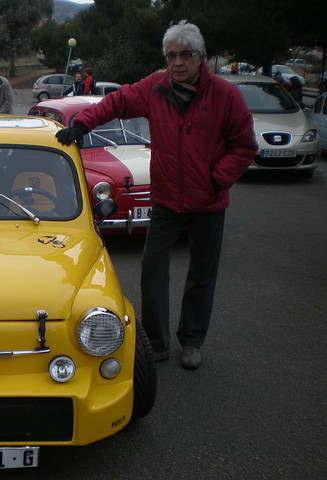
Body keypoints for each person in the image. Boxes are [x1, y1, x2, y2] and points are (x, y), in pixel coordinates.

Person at [56, 20, 257, 370]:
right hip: (165, 200)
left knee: (202, 275)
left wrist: (216, 180)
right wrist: (82, 124)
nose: (177, 62)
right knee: (152, 268)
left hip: (209, 203)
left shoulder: (226, 96)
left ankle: (192, 341)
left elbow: (244, 146)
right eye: (171, 56)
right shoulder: (155, 88)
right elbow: (116, 102)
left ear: (201, 58)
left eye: (185, 55)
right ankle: (157, 342)